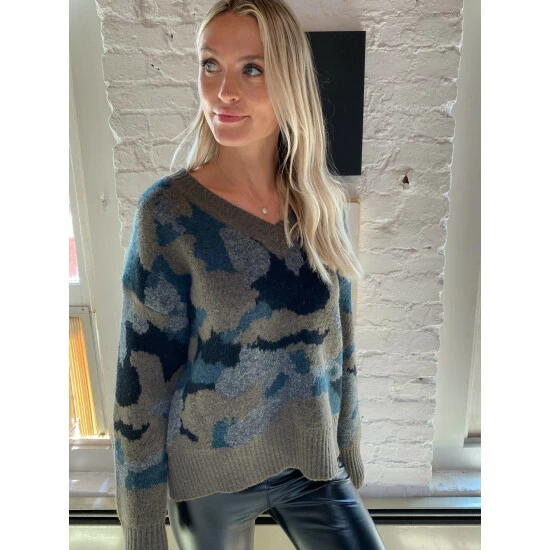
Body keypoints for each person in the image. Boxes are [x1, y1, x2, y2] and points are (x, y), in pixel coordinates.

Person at [113, 1, 386, 549]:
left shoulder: (321, 204)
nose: (223, 91)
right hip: (209, 474)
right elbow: (141, 381)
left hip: (310, 463)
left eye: (252, 69)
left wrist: (346, 444)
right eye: (210, 64)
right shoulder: (168, 214)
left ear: (290, 80)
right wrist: (142, 524)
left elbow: (342, 343)